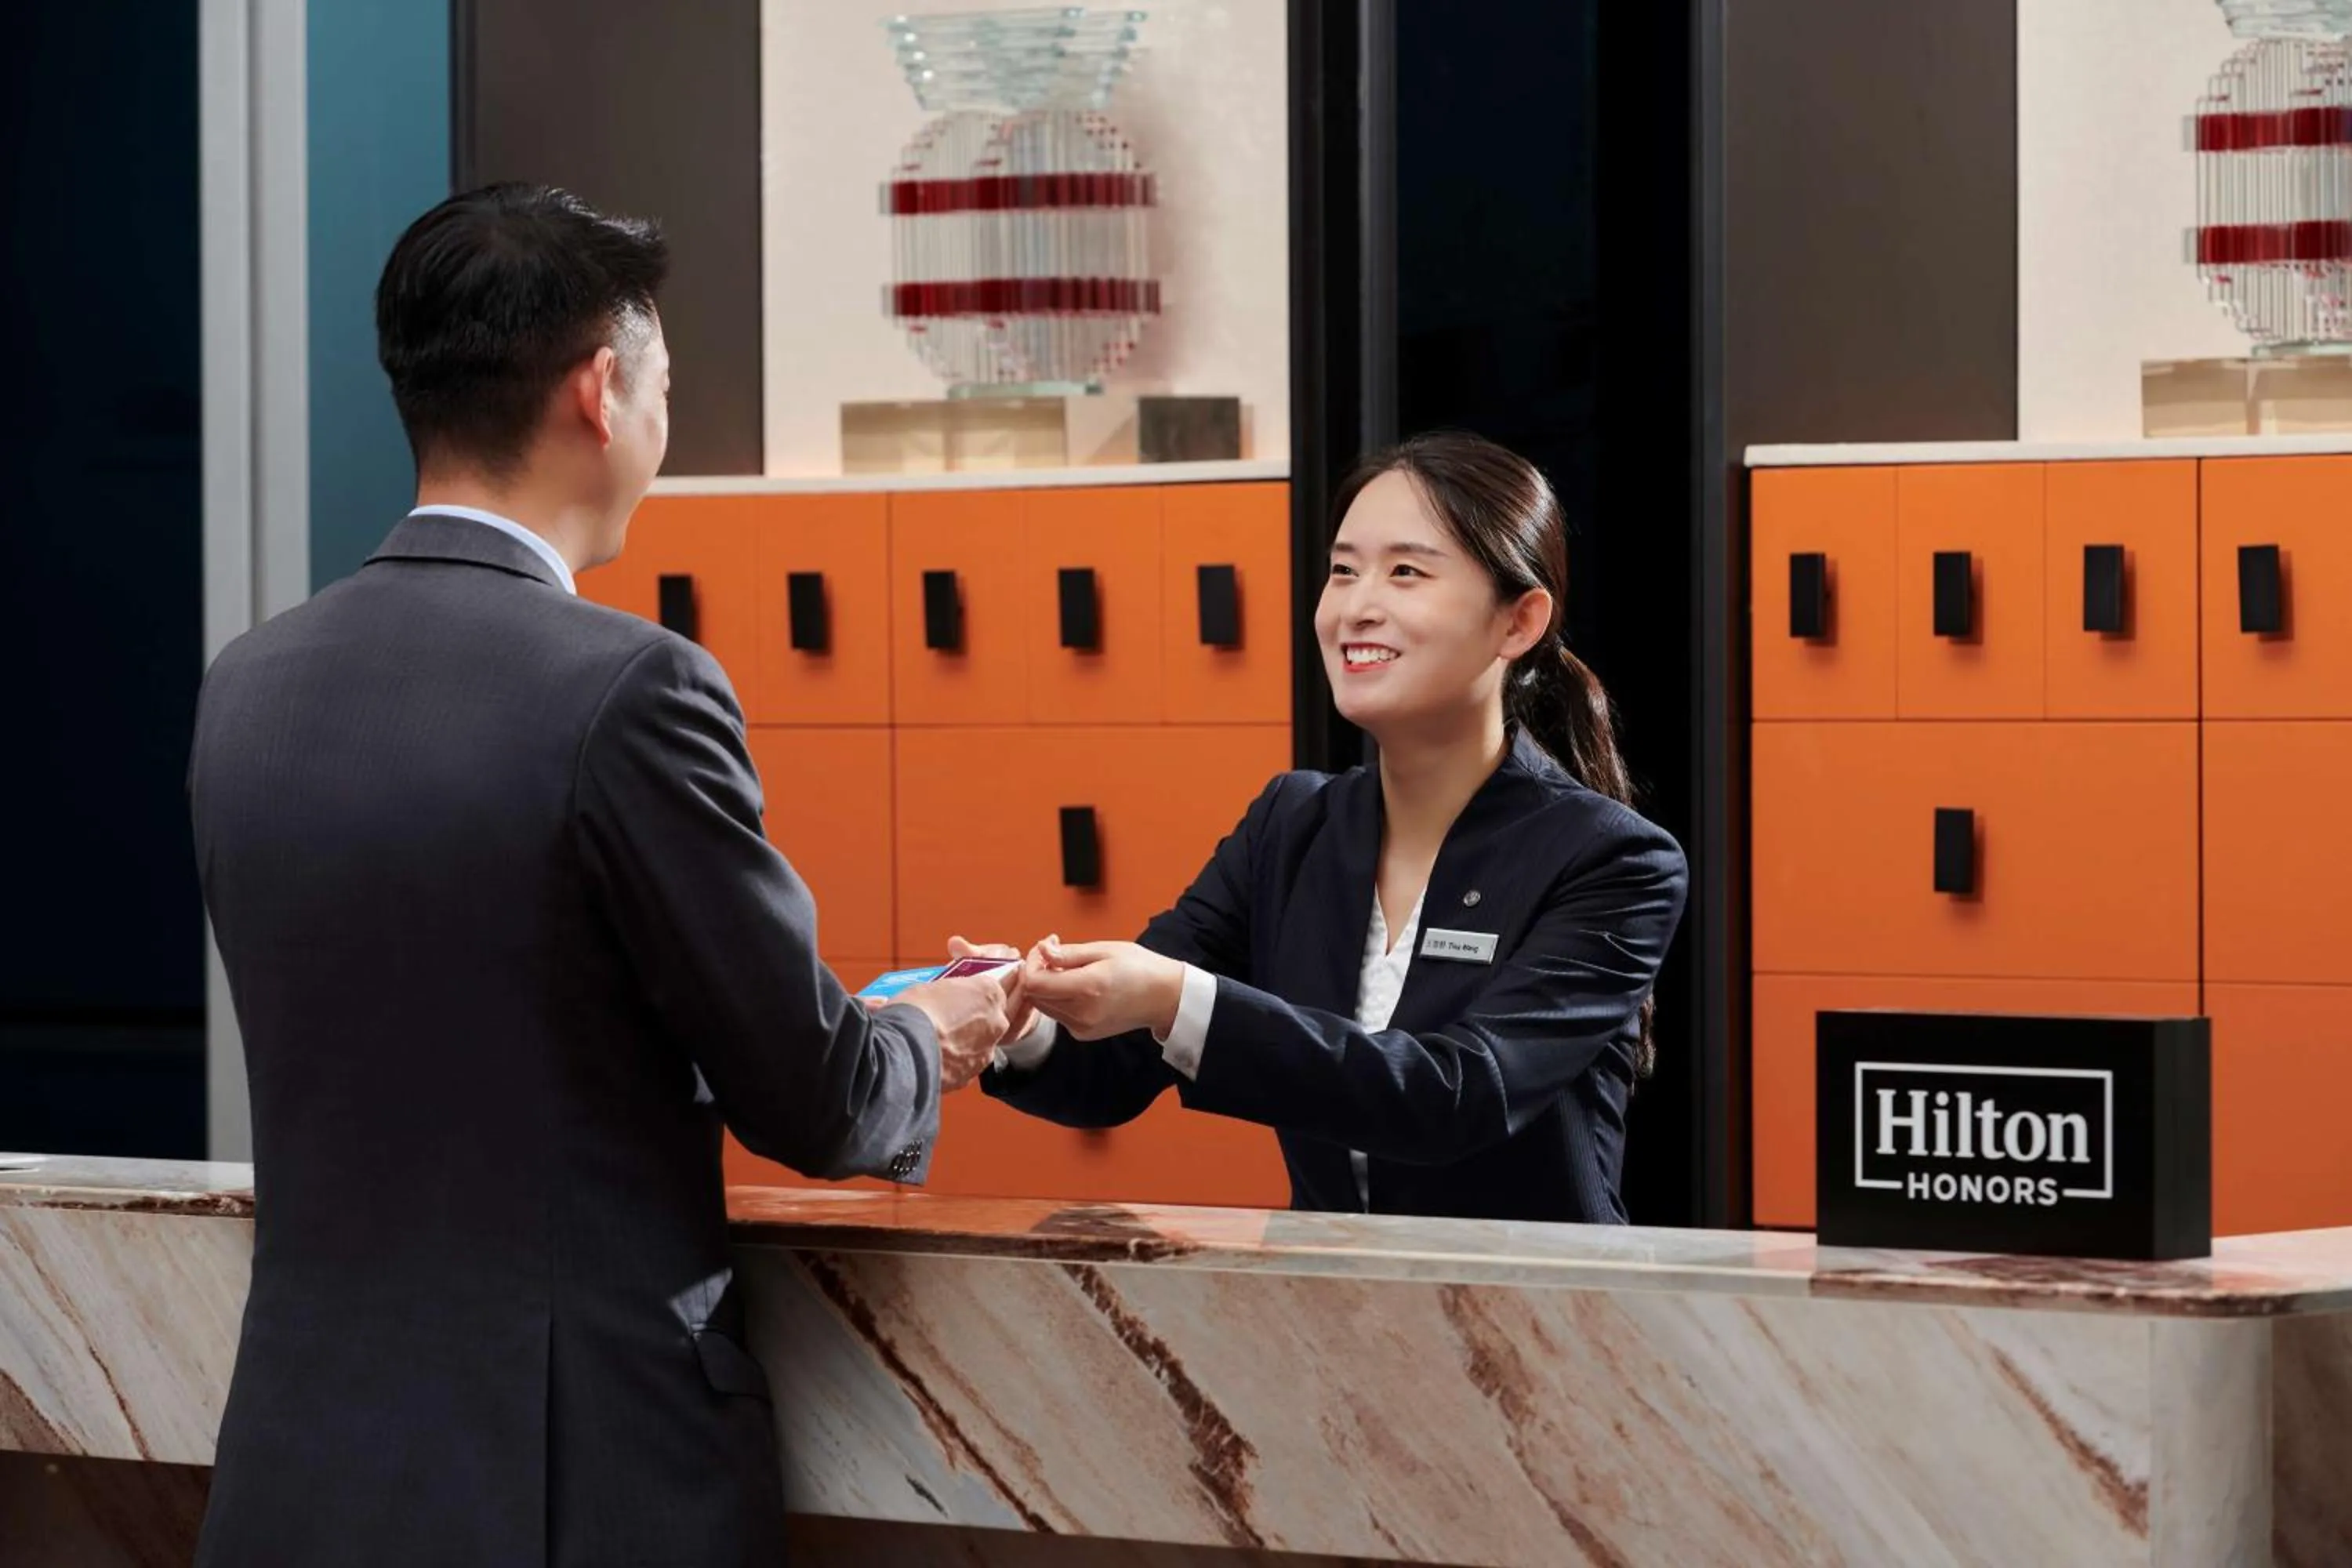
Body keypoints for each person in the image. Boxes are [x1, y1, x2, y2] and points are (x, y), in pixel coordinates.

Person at [187, 183, 1014, 1567]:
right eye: (664, 385)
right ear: (600, 388)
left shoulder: (247, 686)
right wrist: (933, 1029)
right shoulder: (632, 688)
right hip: (573, 1484)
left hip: (295, 1470)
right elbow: (817, 1099)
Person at [978, 430, 1687, 1224]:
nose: (1357, 606)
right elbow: (1108, 1075)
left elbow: (1455, 1095)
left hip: (1533, 1297)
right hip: (1333, 1294)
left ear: (1518, 622)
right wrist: (1023, 1022)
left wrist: (1176, 997)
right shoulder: (1291, 825)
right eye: (1344, 570)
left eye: (1406, 572)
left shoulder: (1613, 859)